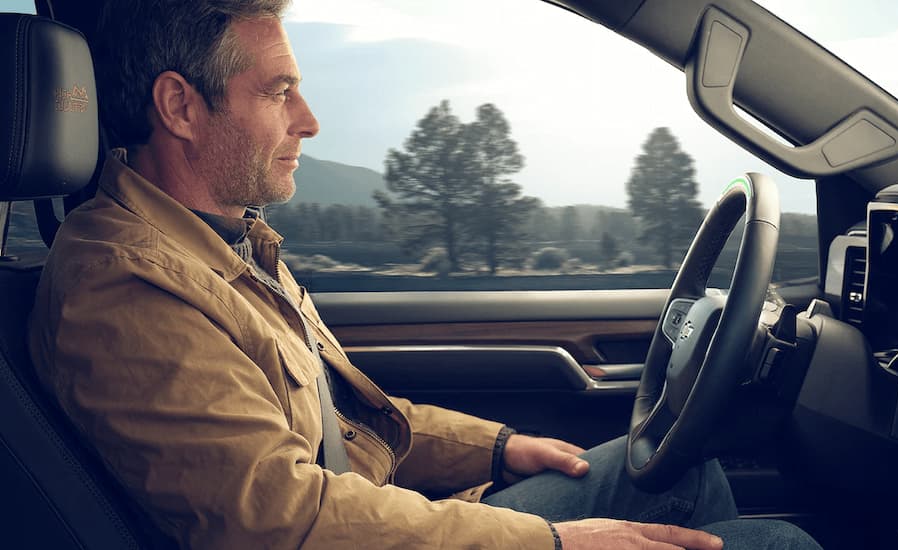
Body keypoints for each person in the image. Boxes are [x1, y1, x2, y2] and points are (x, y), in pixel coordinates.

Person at [28, 1, 823, 549]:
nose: (308, 120)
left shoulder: (225, 245)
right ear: (180, 107)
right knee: (778, 542)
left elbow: (349, 420)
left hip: (363, 524)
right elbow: (280, 523)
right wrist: (550, 540)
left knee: (684, 473)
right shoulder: (123, 284)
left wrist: (501, 447)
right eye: (279, 92)